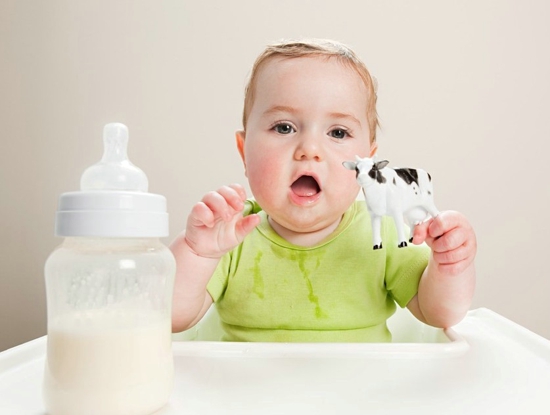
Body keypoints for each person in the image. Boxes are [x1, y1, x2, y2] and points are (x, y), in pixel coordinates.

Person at [170, 38, 476, 342]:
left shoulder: (382, 232)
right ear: (244, 153)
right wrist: (198, 252)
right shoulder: (230, 236)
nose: (310, 150)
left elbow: (439, 314)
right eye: (284, 127)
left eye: (338, 132)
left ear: (366, 163)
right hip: (249, 388)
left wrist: (450, 267)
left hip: (360, 387)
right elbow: (172, 317)